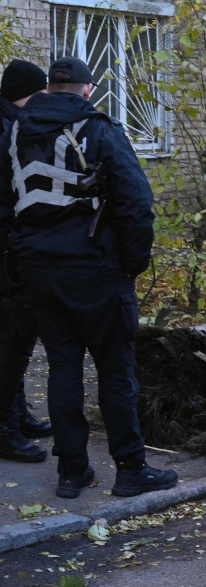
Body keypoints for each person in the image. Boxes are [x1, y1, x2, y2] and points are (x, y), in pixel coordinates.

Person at [0, 56, 178, 499]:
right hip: (97, 271)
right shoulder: (98, 127)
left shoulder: (15, 132)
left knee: (63, 369)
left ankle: (72, 473)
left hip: (40, 273)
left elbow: (5, 207)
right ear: (86, 89)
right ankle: (131, 469)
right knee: (116, 372)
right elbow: (136, 199)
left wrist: (23, 260)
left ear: (48, 88)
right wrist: (132, 263)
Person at [0, 59, 52, 463]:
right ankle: (6, 430)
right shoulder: (10, 128)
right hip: (7, 250)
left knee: (16, 337)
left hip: (12, 246)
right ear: (32, 92)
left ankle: (17, 416)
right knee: (11, 341)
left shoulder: (11, 121)